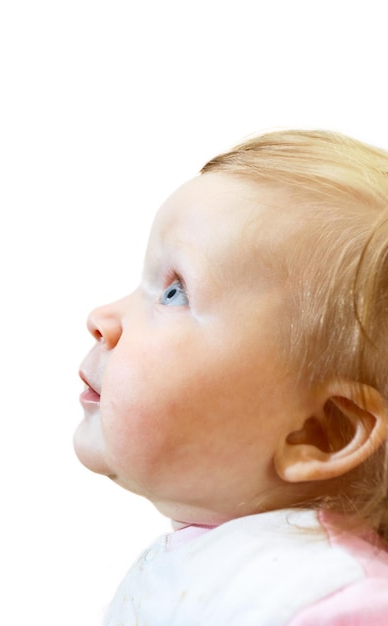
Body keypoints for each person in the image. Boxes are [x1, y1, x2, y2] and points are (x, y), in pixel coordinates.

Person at [74, 129, 388, 625]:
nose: (102, 317)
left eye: (174, 293)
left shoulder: (326, 598)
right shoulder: (222, 565)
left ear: (323, 431)